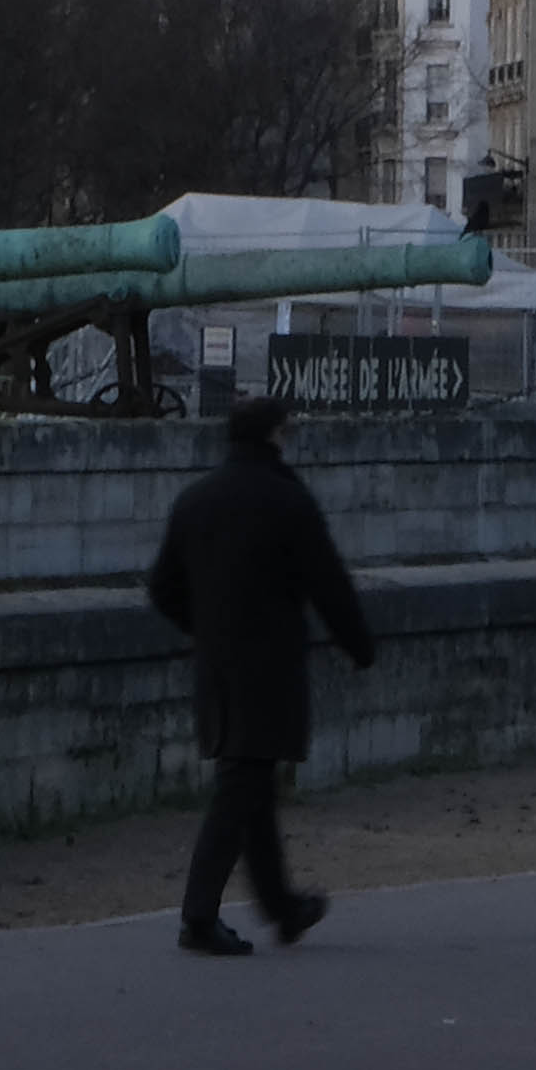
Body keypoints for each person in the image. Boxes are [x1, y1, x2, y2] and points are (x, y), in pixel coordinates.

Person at [145, 393, 376, 952]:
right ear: (276, 434)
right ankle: (199, 916)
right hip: (269, 665)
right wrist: (359, 646)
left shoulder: (195, 499)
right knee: (242, 785)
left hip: (216, 664)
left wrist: (205, 627)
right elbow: (329, 584)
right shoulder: (286, 500)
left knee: (251, 782)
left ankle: (281, 906)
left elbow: (161, 588)